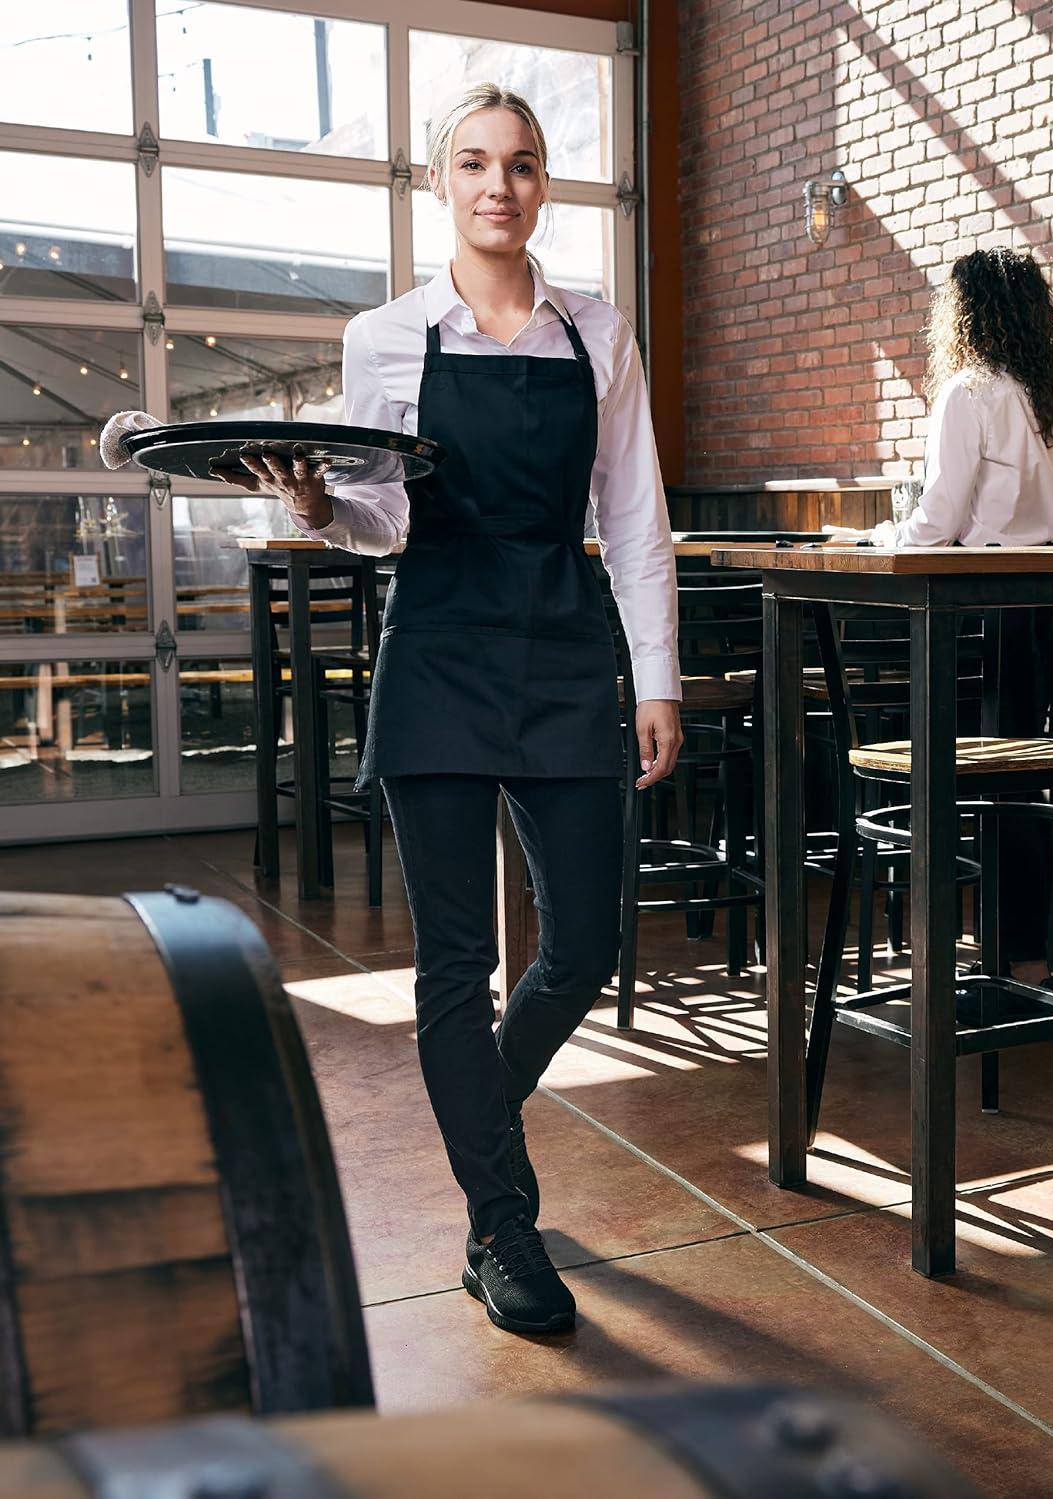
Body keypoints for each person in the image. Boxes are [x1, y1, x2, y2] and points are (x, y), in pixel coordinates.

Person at [215, 85, 682, 1336]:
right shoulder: (387, 337)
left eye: (522, 165)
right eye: (474, 164)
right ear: (441, 184)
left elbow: (634, 516)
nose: (499, 185)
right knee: (456, 966)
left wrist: (656, 678)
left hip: (568, 645)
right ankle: (501, 1221)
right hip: (437, 649)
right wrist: (319, 510)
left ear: (545, 185)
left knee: (586, 940)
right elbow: (382, 515)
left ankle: (483, 1118)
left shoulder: (599, 332)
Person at [867, 247, 1053, 984]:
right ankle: (1025, 956)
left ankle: (951, 955)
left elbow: (936, 518)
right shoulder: (1040, 395)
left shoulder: (971, 391)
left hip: (979, 611)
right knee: (1024, 779)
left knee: (976, 780)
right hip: (1043, 607)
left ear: (964, 314)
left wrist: (881, 539)